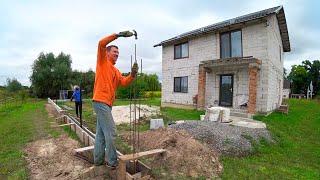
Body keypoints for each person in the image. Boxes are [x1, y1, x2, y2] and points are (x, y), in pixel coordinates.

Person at [92, 31, 138, 169]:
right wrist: (118, 35)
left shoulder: (116, 71)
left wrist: (133, 74)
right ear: (107, 53)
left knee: (100, 135)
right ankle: (112, 163)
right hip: (101, 101)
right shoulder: (102, 62)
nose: (117, 54)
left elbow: (124, 82)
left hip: (106, 104)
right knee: (111, 132)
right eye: (114, 52)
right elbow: (101, 43)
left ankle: (98, 161)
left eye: (118, 53)